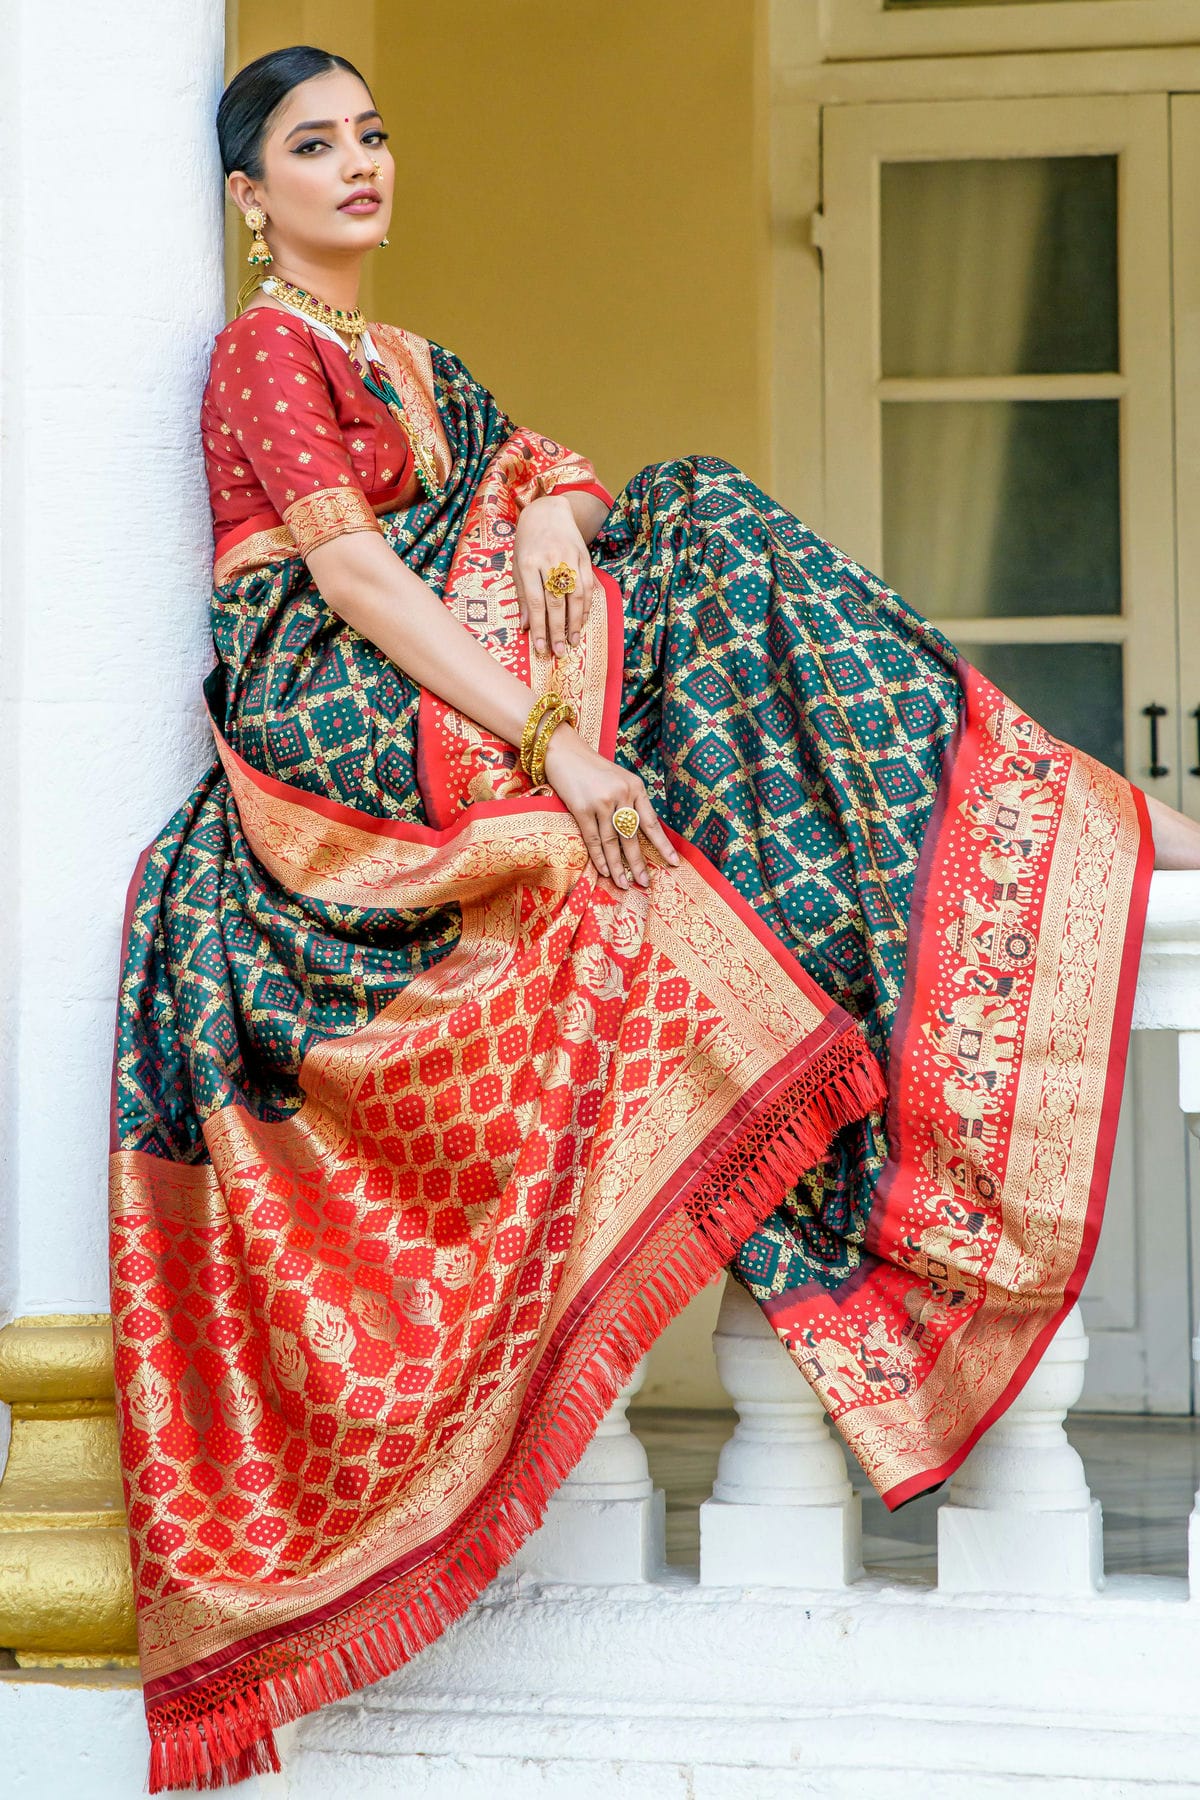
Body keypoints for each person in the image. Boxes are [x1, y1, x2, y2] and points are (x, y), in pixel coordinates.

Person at [108, 43, 1200, 1792]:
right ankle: (1030, 789)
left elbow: (544, 460)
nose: (359, 166)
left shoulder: (411, 358)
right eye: (315, 147)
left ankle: (992, 799)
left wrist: (543, 513)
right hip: (343, 708)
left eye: (374, 133)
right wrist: (551, 736)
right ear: (254, 197)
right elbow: (357, 576)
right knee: (700, 533)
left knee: (686, 511)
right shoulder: (267, 352)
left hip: (462, 657)